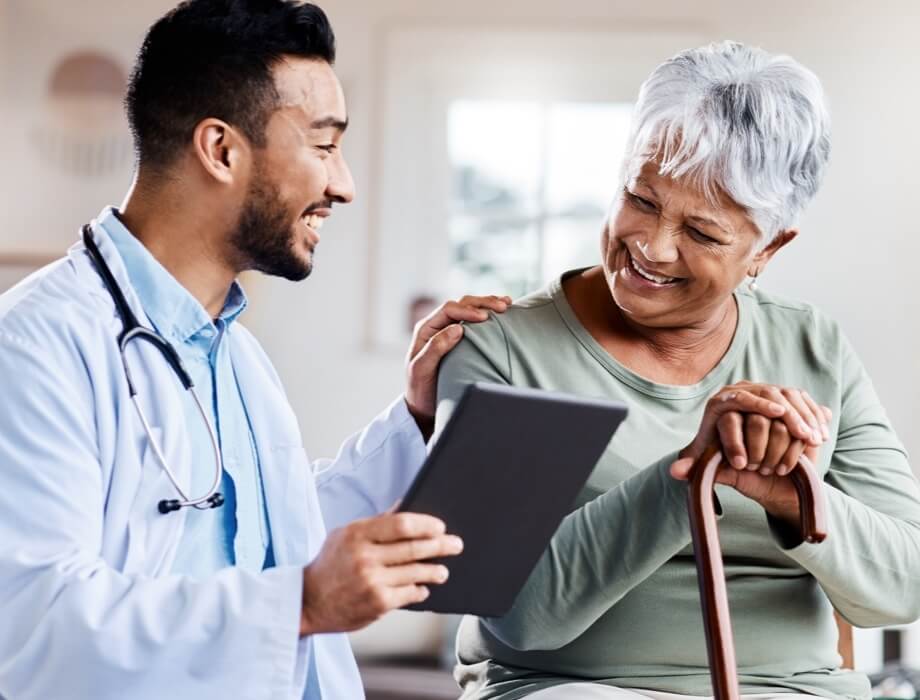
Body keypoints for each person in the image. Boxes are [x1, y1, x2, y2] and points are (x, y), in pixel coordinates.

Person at [0, 1, 510, 698]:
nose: (344, 184)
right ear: (221, 150)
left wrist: (416, 419)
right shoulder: (33, 347)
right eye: (324, 146)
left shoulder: (233, 354)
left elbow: (282, 540)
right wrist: (301, 603)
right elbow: (31, 626)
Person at [437, 41, 920, 699]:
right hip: (570, 688)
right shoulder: (507, 350)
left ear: (767, 248)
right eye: (641, 199)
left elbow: (903, 586)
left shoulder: (813, 347)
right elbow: (515, 615)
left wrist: (788, 493)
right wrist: (689, 473)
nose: (652, 247)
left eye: (702, 233)